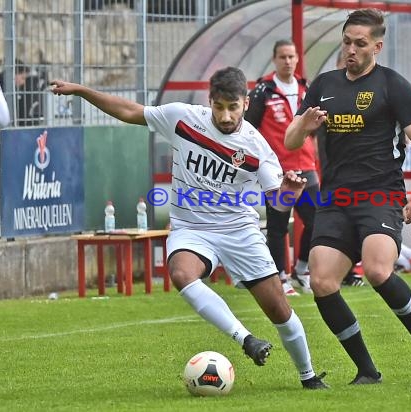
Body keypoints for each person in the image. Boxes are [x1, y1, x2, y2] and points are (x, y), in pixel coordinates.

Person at [50, 67, 328, 390]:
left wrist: (290, 194)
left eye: (233, 107)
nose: (225, 115)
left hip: (238, 230)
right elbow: (129, 111)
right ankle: (246, 339)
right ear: (209, 101)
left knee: (279, 309)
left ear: (246, 103)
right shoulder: (183, 119)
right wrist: (83, 91)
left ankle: (308, 377)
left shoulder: (256, 147)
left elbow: (277, 203)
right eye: (219, 106)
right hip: (191, 228)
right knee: (182, 273)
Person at [284, 9, 411, 385]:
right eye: (346, 41)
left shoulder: (392, 85)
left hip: (380, 195)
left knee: (378, 271)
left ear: (376, 46)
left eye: (360, 43)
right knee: (322, 281)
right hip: (335, 200)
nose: (351, 49)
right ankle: (366, 370)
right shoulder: (324, 85)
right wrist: (305, 125)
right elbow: (291, 140)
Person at [245, 40, 317, 296]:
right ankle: (281, 278)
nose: (288, 61)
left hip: (306, 167)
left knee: (316, 219)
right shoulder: (263, 90)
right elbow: (248, 129)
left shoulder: (306, 88)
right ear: (274, 60)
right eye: (283, 57)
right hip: (277, 171)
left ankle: (301, 269)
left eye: (291, 56)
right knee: (278, 226)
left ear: (298, 59)